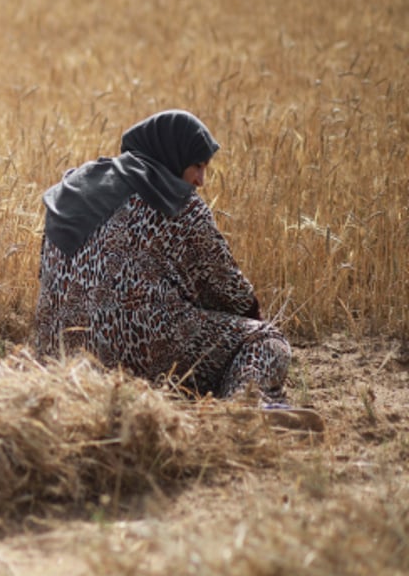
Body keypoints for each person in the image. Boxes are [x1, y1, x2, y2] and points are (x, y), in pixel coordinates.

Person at [34, 109, 294, 406]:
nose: (200, 180)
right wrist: (252, 328)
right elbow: (232, 292)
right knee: (266, 341)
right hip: (138, 358)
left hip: (59, 359)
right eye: (197, 166)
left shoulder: (69, 189)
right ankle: (245, 407)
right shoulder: (176, 201)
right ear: (173, 154)